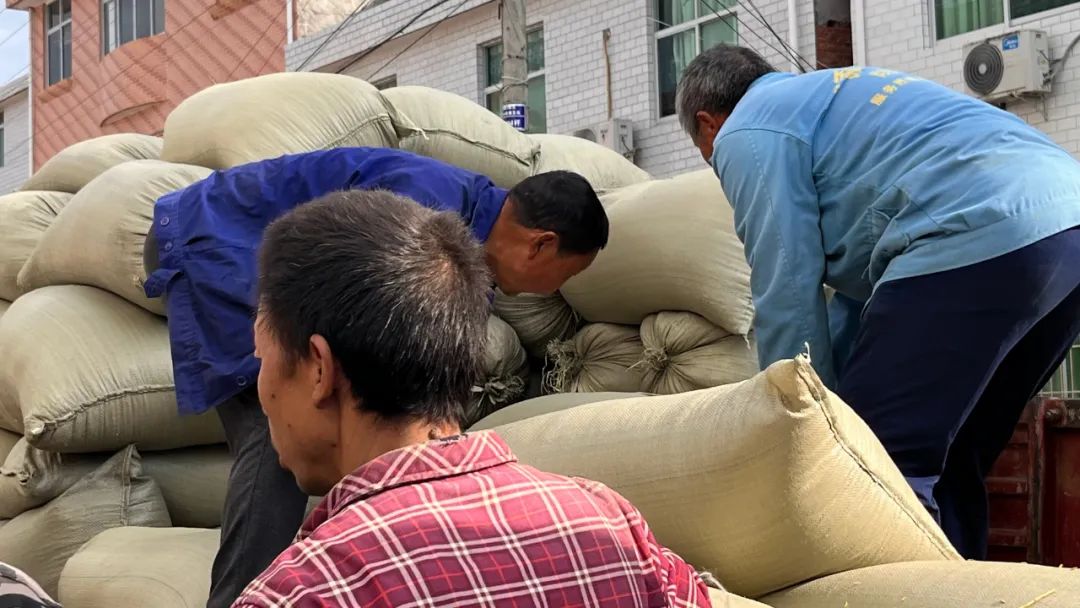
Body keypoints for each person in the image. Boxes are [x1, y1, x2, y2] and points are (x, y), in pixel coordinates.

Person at [142, 147, 609, 607]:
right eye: (565, 275)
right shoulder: (422, 212)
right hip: (217, 236)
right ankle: (239, 599)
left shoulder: (464, 255)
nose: (555, 289)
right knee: (281, 429)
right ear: (541, 244)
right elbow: (344, 313)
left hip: (260, 249)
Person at [676, 43, 1080, 559]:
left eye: (706, 155)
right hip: (1065, 229)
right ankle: (966, 587)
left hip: (976, 230)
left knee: (872, 462)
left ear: (708, 124)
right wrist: (835, 389)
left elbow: (787, 283)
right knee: (954, 456)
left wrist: (795, 416)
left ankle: (903, 589)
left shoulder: (746, 130)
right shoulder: (829, 100)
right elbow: (873, 305)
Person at [229, 189, 709, 607]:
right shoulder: (609, 523)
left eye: (262, 358)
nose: (263, 392)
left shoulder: (300, 591)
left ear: (318, 369)